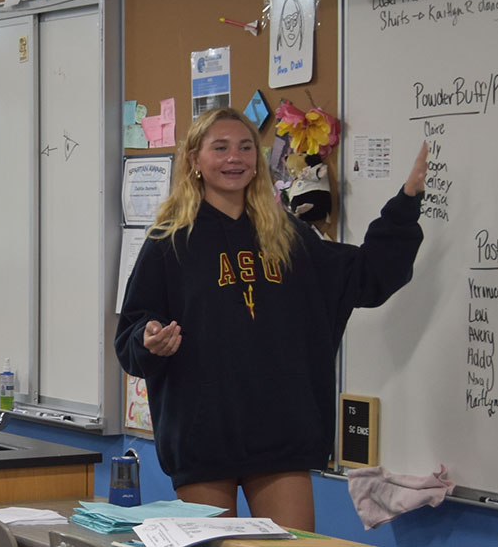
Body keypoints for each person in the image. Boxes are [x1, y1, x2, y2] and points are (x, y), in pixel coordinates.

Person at [115, 107, 427, 531]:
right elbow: (132, 334)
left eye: (245, 148)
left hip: (282, 432)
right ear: (194, 160)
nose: (235, 158)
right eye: (220, 148)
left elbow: (366, 277)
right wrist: (148, 340)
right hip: (203, 436)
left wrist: (405, 204)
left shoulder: (289, 235)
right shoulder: (168, 243)